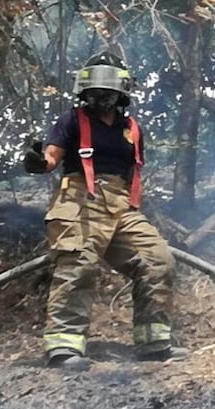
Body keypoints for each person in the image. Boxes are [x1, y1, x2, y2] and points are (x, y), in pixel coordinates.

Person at [23, 50, 188, 370]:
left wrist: (127, 207)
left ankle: (153, 343)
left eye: (107, 91)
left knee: (157, 259)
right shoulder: (72, 119)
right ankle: (63, 347)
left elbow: (132, 174)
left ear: (121, 91)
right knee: (79, 266)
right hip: (80, 200)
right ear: (84, 90)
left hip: (121, 205)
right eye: (95, 91)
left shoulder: (132, 129)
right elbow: (52, 159)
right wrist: (38, 162)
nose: (101, 98)